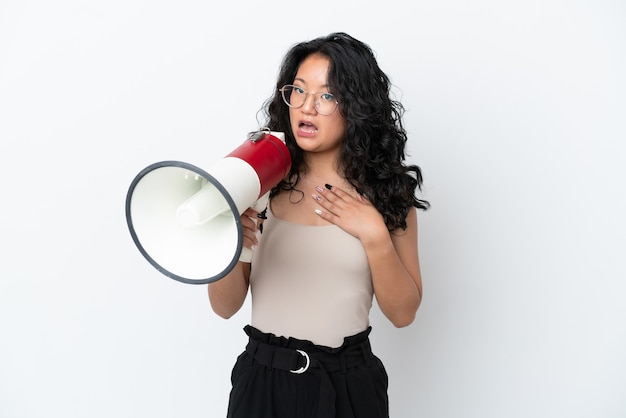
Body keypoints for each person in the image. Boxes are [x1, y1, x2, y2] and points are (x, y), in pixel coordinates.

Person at [208, 32, 429, 418]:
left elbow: (403, 314)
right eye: (299, 90)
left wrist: (374, 235)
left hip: (350, 382)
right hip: (263, 381)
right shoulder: (259, 182)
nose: (307, 107)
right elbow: (224, 307)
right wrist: (231, 242)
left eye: (327, 95)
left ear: (357, 106)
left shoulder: (387, 194)